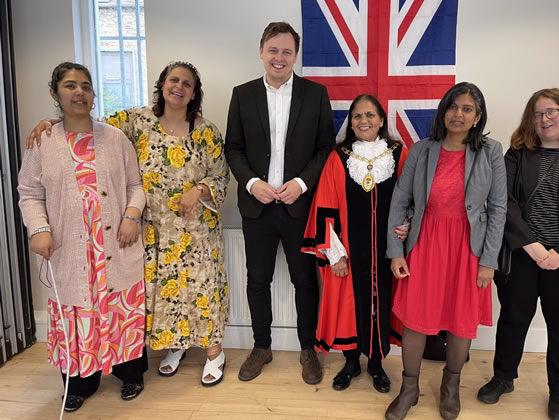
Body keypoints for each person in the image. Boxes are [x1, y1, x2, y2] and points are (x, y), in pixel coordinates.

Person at [27, 61, 230, 386]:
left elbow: (220, 174)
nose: (179, 87)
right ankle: (175, 347)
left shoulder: (207, 131)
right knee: (165, 293)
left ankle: (214, 353)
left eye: (187, 83)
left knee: (202, 291)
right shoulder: (137, 121)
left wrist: (200, 189)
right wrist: (51, 121)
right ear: (162, 85)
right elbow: (84, 122)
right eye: (173, 80)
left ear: (194, 93)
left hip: (197, 232)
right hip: (153, 230)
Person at [18, 62, 147, 412]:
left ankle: (130, 373)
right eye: (71, 86)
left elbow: (136, 185)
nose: (79, 92)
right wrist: (40, 229)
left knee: (121, 309)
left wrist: (132, 216)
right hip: (71, 251)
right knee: (77, 315)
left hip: (116, 246)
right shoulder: (42, 141)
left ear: (93, 94)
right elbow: (29, 192)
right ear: (55, 93)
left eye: (86, 86)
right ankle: (79, 382)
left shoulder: (115, 137)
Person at [476, 88, 559, 420]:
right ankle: (503, 378)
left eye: (551, 112)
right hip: (524, 255)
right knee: (513, 320)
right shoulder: (516, 156)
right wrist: (532, 245)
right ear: (529, 121)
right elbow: (502, 203)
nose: (544, 119)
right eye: (537, 114)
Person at [385, 82, 507, 420]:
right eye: (454, 107)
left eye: (468, 109)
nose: (459, 114)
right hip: (425, 242)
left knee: (460, 320)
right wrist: (397, 251)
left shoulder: (491, 151)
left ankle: (450, 386)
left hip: (468, 248)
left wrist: (488, 261)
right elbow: (401, 200)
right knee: (416, 320)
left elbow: (498, 209)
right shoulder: (423, 149)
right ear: (444, 111)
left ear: (477, 117)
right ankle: (409, 388)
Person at [225, 21, 335, 385]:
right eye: (273, 50)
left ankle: (308, 349)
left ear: (295, 55)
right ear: (261, 52)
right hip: (257, 207)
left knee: (305, 280)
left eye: (287, 51)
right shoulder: (242, 94)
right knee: (258, 280)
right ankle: (262, 347)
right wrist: (253, 182)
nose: (279, 57)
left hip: (299, 207)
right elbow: (234, 148)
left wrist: (302, 184)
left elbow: (325, 148)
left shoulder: (315, 94)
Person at [302, 94, 409, 393]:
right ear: (351, 121)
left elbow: (413, 199)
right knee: (349, 305)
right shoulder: (339, 157)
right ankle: (351, 362)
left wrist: (406, 230)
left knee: (382, 304)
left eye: (370, 115)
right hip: (350, 249)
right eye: (358, 116)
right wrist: (335, 254)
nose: (364, 121)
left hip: (389, 252)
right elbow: (324, 206)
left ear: (382, 120)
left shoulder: (400, 154)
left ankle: (376, 364)